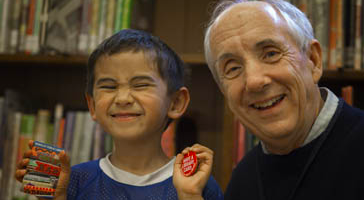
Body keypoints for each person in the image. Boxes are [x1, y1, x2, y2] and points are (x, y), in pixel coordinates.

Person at [175, 0, 364, 199]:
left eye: (271, 54)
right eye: (233, 68)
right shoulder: (243, 179)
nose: (255, 81)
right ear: (224, 91)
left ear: (313, 61)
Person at [15, 29, 223, 200]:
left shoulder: (196, 183)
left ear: (176, 102)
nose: (122, 98)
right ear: (93, 105)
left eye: (141, 85)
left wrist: (189, 195)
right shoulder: (74, 180)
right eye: (109, 86)